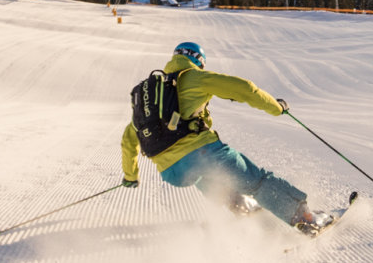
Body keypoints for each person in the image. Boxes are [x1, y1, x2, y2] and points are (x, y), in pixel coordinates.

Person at [119, 42, 331, 233]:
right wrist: (276, 107)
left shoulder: (154, 98)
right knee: (256, 181)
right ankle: (306, 218)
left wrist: (131, 176)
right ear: (198, 61)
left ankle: (242, 207)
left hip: (171, 173)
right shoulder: (193, 77)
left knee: (207, 176)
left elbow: (129, 140)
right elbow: (244, 89)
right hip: (201, 152)